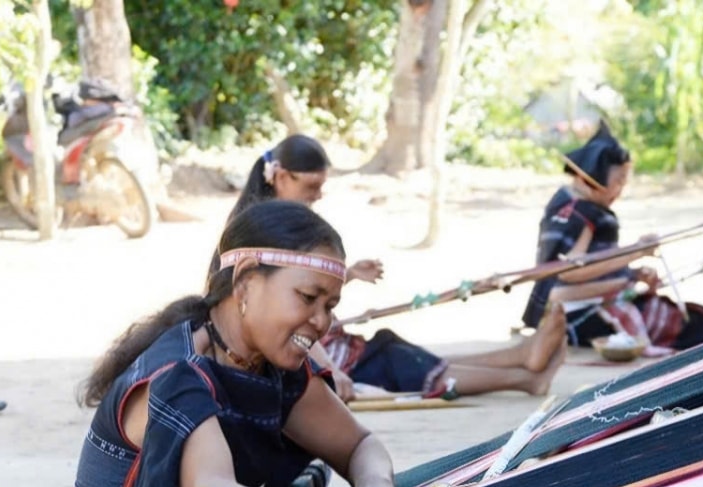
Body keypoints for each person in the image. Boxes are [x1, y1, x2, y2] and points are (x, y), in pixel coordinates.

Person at [76, 200, 396, 487]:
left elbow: (358, 445)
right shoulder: (178, 372)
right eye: (308, 297)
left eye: (330, 306)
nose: (322, 322)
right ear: (245, 282)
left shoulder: (272, 368)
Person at [226, 136, 568, 403]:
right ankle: (524, 375)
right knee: (403, 365)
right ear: (282, 177)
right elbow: (281, 318)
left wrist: (349, 275)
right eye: (311, 189)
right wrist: (325, 369)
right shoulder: (261, 236)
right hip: (306, 354)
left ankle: (521, 358)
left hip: (326, 348)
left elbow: (302, 293)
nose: (317, 198)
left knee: (396, 350)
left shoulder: (279, 228)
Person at [521, 122, 703, 350]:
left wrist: (631, 274)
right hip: (581, 316)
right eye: (618, 180)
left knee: (700, 317)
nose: (621, 189)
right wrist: (634, 253)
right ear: (592, 178)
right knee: (697, 329)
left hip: (586, 306)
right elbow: (568, 272)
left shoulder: (566, 203)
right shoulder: (581, 212)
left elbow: (578, 269)